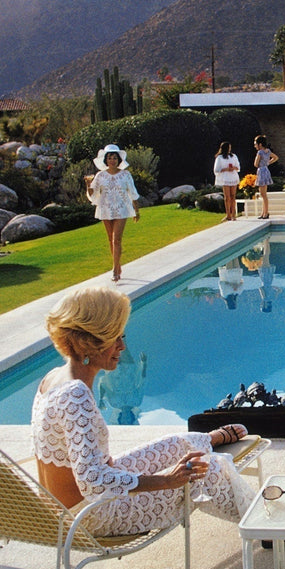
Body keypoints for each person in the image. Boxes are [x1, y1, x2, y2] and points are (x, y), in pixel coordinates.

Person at [32, 286, 254, 537]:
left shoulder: (52, 379)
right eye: (115, 338)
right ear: (91, 343)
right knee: (208, 469)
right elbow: (92, 480)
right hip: (91, 515)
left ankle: (207, 439)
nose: (122, 347)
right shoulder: (76, 394)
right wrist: (167, 480)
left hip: (67, 506)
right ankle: (263, 525)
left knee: (176, 444)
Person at [84, 144, 140, 282]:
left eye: (115, 158)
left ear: (118, 159)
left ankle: (115, 270)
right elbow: (93, 194)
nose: (112, 160)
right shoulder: (100, 175)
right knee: (110, 239)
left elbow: (132, 193)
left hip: (121, 209)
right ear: (106, 160)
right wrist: (87, 184)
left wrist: (136, 210)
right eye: (110, 157)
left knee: (117, 239)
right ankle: (117, 264)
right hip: (105, 209)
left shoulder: (125, 175)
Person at [213, 141, 241, 222]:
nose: (230, 149)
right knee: (227, 197)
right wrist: (226, 169)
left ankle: (233, 214)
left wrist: (234, 168)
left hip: (233, 177)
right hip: (225, 178)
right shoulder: (220, 158)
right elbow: (217, 169)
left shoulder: (234, 156)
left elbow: (238, 167)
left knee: (233, 196)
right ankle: (228, 214)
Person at [252, 135, 278, 219]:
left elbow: (256, 164)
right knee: (264, 194)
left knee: (263, 194)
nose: (255, 146)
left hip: (261, 171)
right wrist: (268, 163)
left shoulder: (260, 152)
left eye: (256, 144)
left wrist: (263, 163)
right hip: (266, 170)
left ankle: (265, 212)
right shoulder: (268, 151)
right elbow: (275, 157)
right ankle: (264, 212)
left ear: (260, 144)